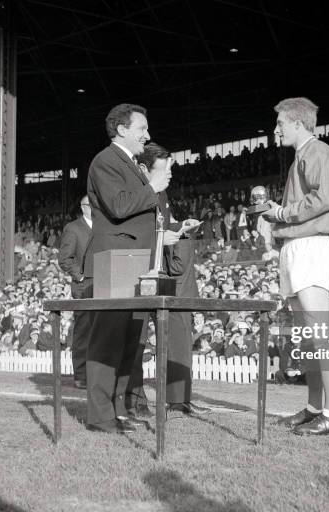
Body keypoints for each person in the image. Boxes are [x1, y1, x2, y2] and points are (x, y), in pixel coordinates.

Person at [83, 103, 174, 435]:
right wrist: (152, 186)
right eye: (141, 129)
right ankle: (100, 415)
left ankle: (119, 409)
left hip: (137, 264)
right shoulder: (105, 161)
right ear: (121, 129)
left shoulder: (131, 164)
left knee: (129, 343)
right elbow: (119, 206)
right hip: (116, 261)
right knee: (108, 341)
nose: (147, 136)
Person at [263, 97, 329, 436]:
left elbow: (324, 198)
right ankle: (315, 407)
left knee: (319, 332)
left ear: (298, 123)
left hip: (312, 245)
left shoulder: (319, 153)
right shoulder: (304, 155)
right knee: (309, 335)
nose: (276, 129)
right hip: (299, 244)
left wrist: (282, 213)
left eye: (280, 124)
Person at [136, 143, 209, 415]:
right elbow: (127, 235)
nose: (170, 174)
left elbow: (164, 228)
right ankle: (135, 401)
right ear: (145, 169)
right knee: (137, 339)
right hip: (137, 274)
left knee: (178, 336)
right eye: (165, 169)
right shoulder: (132, 193)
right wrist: (159, 238)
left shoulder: (162, 194)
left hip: (165, 272)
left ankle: (179, 399)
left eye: (171, 168)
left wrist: (181, 226)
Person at [57, 196, 93, 389]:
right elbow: (64, 259)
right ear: (83, 207)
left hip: (102, 286)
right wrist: (80, 276)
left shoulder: (103, 228)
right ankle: (81, 375)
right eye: (91, 204)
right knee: (83, 331)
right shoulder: (73, 228)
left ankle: (95, 373)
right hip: (82, 288)